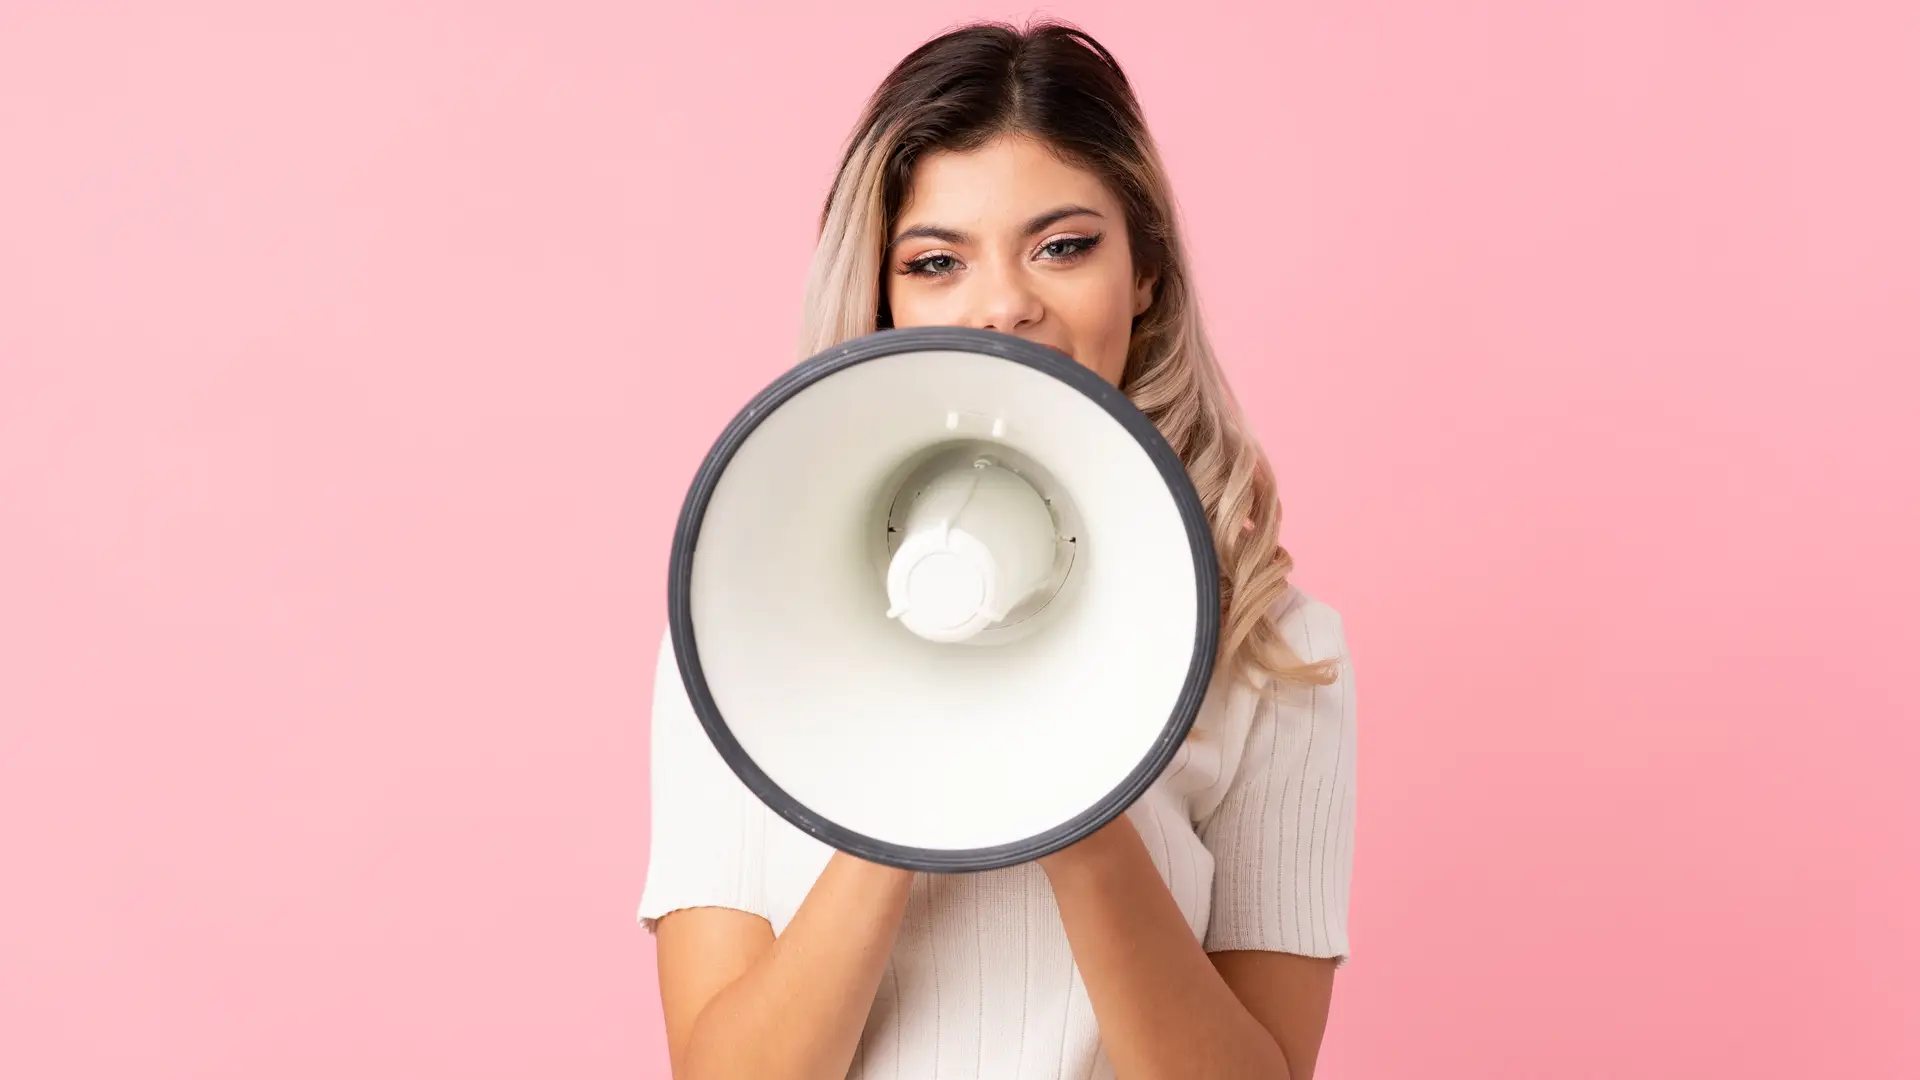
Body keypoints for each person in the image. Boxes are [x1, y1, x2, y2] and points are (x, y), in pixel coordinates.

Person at [637, 19, 1358, 1080]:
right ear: (883, 295)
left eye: (1064, 246)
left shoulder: (1274, 647)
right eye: (936, 261)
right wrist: (926, 753)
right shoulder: (735, 620)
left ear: (1145, 272)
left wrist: (1068, 769)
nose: (1006, 304)